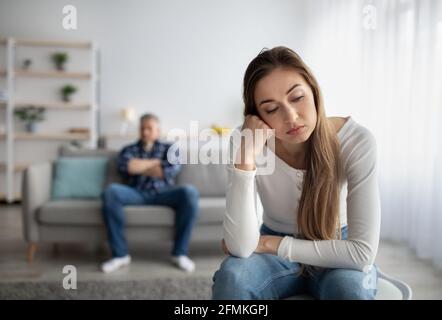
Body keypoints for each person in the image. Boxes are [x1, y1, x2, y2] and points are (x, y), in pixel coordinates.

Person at [212, 46, 381, 299]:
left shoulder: (356, 140)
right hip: (271, 249)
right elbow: (238, 247)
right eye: (271, 109)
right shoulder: (246, 140)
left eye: (297, 97)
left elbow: (361, 253)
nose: (291, 117)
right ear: (257, 116)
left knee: (350, 291)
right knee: (232, 278)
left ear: (314, 91)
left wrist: (268, 244)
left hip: (338, 246)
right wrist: (246, 158)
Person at [101, 113, 199, 273]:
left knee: (190, 192)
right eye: (142, 128)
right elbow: (128, 167)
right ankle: (120, 255)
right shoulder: (129, 149)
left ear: (158, 131)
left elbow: (168, 171)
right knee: (111, 192)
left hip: (164, 193)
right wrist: (155, 163)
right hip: (136, 193)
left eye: (149, 128)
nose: (145, 132)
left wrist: (140, 166)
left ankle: (180, 253)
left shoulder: (170, 148)